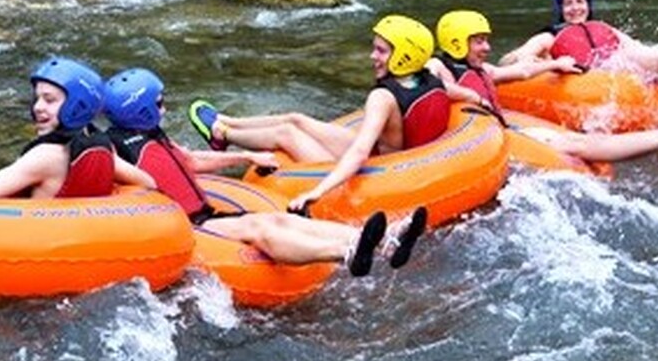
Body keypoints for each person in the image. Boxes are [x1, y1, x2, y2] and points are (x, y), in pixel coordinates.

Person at [102, 67, 428, 277]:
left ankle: (386, 241)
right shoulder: (116, 148)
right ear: (140, 109)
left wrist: (245, 156)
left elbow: (189, 163)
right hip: (182, 228)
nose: (165, 108)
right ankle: (347, 252)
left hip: (203, 214)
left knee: (283, 219)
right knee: (261, 227)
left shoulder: (153, 136)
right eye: (159, 104)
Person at [187, 14, 450, 213]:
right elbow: (456, 92)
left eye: (381, 51)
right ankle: (228, 120)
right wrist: (481, 101)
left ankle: (223, 134)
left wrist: (317, 191)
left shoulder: (382, 98)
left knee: (287, 133)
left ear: (404, 56)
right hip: (388, 153)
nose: (372, 56)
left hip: (379, 167)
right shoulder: (430, 74)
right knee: (296, 119)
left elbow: (359, 152)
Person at [429, 10, 658, 161]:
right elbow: (434, 85)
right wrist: (470, 96)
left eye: (486, 40)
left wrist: (552, 65)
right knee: (577, 145)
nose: (487, 47)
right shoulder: (438, 66)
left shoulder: (484, 70)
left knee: (578, 143)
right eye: (479, 41)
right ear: (455, 42)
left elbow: (522, 71)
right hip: (471, 140)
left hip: (496, 130)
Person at [0, 56, 152, 201]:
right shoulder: (100, 144)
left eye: (50, 100)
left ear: (78, 105)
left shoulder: (47, 156)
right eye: (38, 98)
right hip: (33, 206)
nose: (38, 107)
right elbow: (147, 182)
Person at [499, 0, 658, 77]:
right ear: (561, 9)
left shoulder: (603, 29)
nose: (575, 8)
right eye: (568, 3)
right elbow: (507, 60)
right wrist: (532, 60)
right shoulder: (549, 36)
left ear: (588, 5)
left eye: (579, 2)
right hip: (581, 82)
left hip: (612, 74)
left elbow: (638, 51)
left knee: (651, 60)